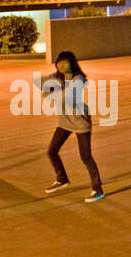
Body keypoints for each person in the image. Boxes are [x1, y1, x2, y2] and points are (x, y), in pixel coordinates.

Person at [38, 50, 105, 202]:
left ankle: (98, 189)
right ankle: (62, 179)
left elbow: (67, 98)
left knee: (85, 156)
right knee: (51, 151)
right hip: (65, 122)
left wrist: (55, 91)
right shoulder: (56, 77)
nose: (61, 65)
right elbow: (41, 85)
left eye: (65, 61)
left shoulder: (78, 79)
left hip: (80, 122)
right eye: (59, 61)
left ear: (72, 63)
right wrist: (54, 90)